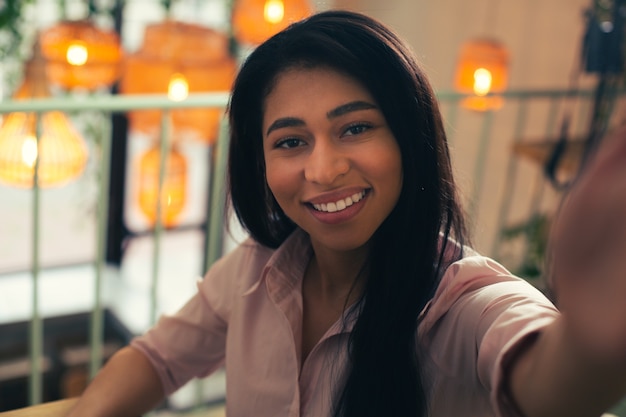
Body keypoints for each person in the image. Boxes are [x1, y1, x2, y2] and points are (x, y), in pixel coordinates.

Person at [66, 10, 626, 417]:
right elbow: (156, 359)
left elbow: (546, 384)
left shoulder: (464, 304)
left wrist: (592, 340)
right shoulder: (255, 269)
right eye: (290, 141)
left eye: (355, 128)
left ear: (408, 138)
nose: (324, 169)